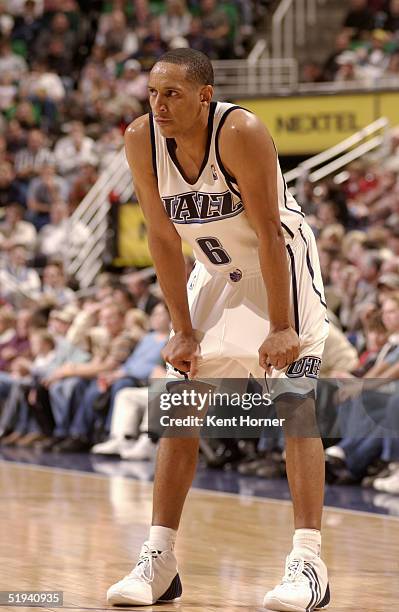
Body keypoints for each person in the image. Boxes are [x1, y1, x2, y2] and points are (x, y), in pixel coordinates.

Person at [107, 49, 330, 611]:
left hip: (278, 265)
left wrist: (281, 326)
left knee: (294, 402)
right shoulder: (141, 138)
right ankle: (160, 559)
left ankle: (309, 564)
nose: (159, 104)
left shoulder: (241, 131)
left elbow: (272, 236)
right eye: (154, 93)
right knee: (180, 402)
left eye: (173, 94)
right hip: (215, 272)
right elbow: (161, 238)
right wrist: (181, 329)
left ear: (204, 95)